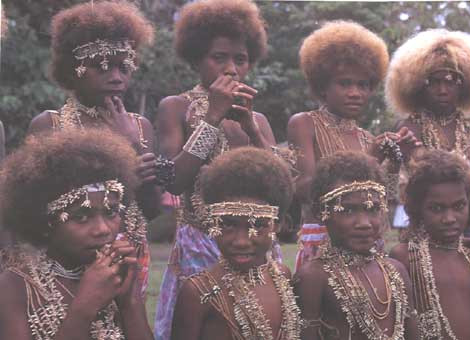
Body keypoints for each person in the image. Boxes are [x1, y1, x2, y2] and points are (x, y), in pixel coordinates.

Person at [153, 1, 281, 338]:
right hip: (200, 242)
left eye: (240, 59)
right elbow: (175, 180)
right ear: (197, 58)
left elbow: (283, 187)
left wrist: (252, 129)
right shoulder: (175, 107)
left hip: (256, 241)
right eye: (219, 57)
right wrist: (212, 118)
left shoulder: (260, 119)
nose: (231, 69)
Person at [25, 0, 158, 296]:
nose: (116, 76)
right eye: (101, 66)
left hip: (129, 256)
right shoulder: (49, 126)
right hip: (65, 264)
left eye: (123, 67)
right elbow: (32, 209)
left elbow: (151, 208)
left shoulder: (140, 127)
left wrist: (133, 145)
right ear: (73, 71)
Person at [289, 20, 418, 271]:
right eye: (345, 83)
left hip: (367, 242)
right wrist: (368, 159)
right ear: (322, 85)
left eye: (364, 85)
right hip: (323, 243)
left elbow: (383, 200)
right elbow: (303, 189)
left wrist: (395, 161)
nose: (355, 93)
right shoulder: (305, 124)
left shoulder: (367, 137)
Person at [0, 128, 152, 340]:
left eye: (111, 212)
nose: (103, 229)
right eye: (81, 217)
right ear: (45, 223)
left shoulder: (115, 277)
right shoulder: (15, 286)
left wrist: (130, 303)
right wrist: (84, 308)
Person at [171, 147, 301, 340]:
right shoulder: (198, 291)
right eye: (228, 224)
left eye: (256, 225)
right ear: (211, 222)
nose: (241, 241)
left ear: (278, 224)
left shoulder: (282, 276)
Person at [294, 151, 417, 340]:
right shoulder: (314, 276)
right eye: (348, 210)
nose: (364, 223)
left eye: (372, 209)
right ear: (321, 212)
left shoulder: (396, 271)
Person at [389, 150, 470, 339]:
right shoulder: (404, 256)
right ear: (418, 208)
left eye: (459, 206)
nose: (449, 218)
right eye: (436, 208)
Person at [386, 29, 470, 178]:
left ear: (463, 85)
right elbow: (413, 182)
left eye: (450, 81)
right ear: (419, 86)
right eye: (434, 82)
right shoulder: (410, 127)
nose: (442, 90)